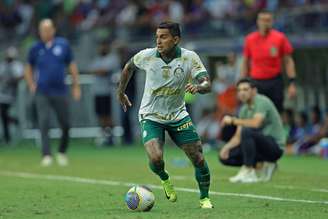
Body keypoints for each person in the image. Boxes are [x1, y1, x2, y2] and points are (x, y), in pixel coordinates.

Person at [116, 21, 213, 209]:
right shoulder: (147, 55)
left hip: (178, 116)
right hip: (151, 115)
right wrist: (121, 91)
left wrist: (199, 87)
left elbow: (207, 83)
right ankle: (164, 178)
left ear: (176, 39)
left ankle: (204, 198)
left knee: (198, 157)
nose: (158, 41)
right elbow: (129, 67)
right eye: (157, 37)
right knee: (156, 158)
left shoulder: (189, 58)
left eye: (163, 37)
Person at [25, 19, 81, 166]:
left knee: (66, 123)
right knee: (44, 122)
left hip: (60, 91)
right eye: (42, 29)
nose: (45, 32)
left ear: (53, 30)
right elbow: (28, 67)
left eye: (48, 29)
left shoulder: (63, 45)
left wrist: (76, 86)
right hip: (42, 91)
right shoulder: (35, 48)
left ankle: (62, 151)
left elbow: (72, 65)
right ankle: (46, 154)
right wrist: (31, 84)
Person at [219, 78, 284, 183]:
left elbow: (255, 123)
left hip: (274, 146)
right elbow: (238, 136)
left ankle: (249, 170)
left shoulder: (262, 101)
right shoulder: (244, 109)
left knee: (247, 131)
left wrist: (232, 120)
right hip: (259, 147)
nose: (242, 93)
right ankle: (261, 165)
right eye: (239, 90)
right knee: (225, 157)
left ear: (254, 91)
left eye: (245, 89)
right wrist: (226, 148)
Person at [240, 10, 297, 113]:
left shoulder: (280, 38)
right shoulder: (250, 39)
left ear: (272, 22)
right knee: (257, 112)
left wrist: (292, 83)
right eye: (262, 20)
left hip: (275, 82)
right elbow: (245, 62)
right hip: (256, 83)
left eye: (268, 20)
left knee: (276, 112)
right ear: (258, 21)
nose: (265, 23)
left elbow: (288, 61)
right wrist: (242, 84)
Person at [89, 40, 121, 146]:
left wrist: (97, 71)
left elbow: (104, 71)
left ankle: (111, 136)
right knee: (100, 115)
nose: (101, 48)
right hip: (97, 91)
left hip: (107, 91)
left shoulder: (112, 58)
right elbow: (93, 70)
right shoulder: (97, 59)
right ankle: (104, 136)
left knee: (108, 116)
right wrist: (97, 71)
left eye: (103, 46)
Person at [0, 47, 24, 144]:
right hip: (1, 93)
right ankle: (13, 122)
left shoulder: (17, 65)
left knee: (3, 113)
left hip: (11, 94)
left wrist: (11, 80)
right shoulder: (2, 65)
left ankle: (8, 136)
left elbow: (20, 76)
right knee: (3, 115)